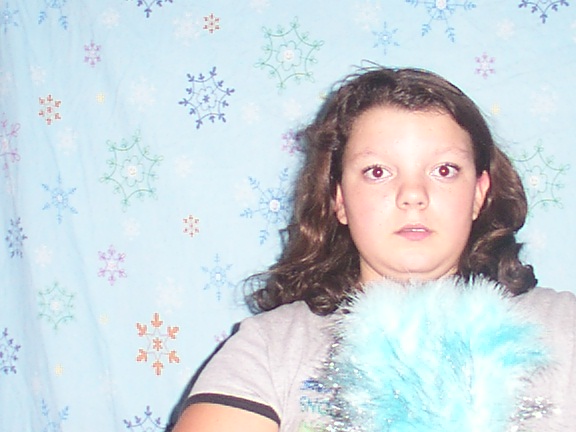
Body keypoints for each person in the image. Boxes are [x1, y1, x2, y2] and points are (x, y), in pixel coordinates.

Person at [171, 67, 576, 432]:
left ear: (479, 194)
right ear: (339, 200)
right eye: (377, 171)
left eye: (444, 170)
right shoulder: (272, 347)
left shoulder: (565, 327)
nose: (413, 194)